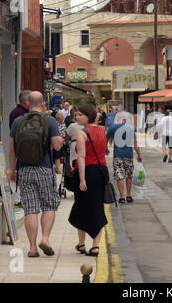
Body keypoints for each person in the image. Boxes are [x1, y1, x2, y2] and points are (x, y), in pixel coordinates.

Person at [8, 91, 63, 257]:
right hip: (45, 168)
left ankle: (32, 248)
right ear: (43, 103)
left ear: (28, 103)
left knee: (30, 209)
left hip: (24, 169)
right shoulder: (50, 121)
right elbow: (58, 146)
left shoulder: (18, 121)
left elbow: (12, 149)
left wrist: (12, 169)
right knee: (49, 205)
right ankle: (45, 239)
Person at [68, 104, 109, 257]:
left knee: (81, 206)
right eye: (76, 114)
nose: (77, 117)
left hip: (86, 171)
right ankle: (95, 246)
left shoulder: (81, 133)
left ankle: (82, 243)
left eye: (80, 115)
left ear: (88, 116)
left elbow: (82, 157)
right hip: (101, 172)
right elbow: (104, 151)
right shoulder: (102, 131)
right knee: (97, 206)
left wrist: (82, 179)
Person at [106, 111, 143, 204]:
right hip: (129, 155)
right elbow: (135, 143)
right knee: (129, 175)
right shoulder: (130, 128)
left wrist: (105, 150)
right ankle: (129, 195)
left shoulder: (112, 127)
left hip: (117, 155)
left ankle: (122, 197)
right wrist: (139, 154)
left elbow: (105, 140)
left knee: (119, 176)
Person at [9, 90, 31, 207]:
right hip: (21, 148)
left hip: (21, 147)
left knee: (20, 172)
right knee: (19, 172)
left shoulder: (20, 112)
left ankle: (20, 197)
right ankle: (18, 199)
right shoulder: (19, 114)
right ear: (26, 102)